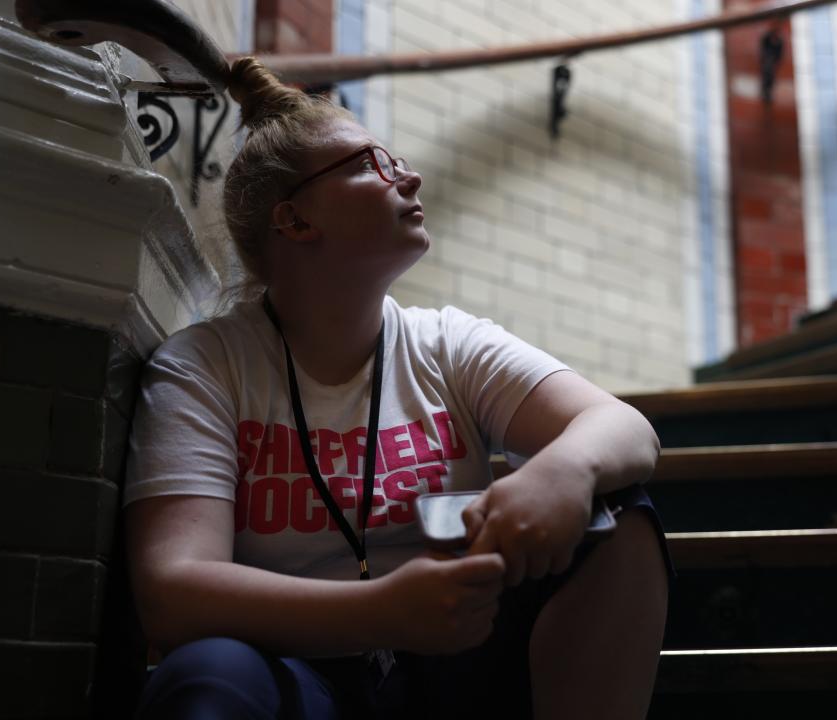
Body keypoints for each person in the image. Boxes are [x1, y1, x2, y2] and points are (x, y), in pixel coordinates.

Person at [123, 57, 671, 719]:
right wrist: (383, 612)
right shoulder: (204, 366)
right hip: (300, 667)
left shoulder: (445, 342)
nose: (406, 175)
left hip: (457, 655)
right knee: (207, 672)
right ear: (294, 222)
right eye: (368, 165)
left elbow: (626, 429)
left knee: (619, 516)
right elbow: (171, 592)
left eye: (395, 160)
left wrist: (562, 469)